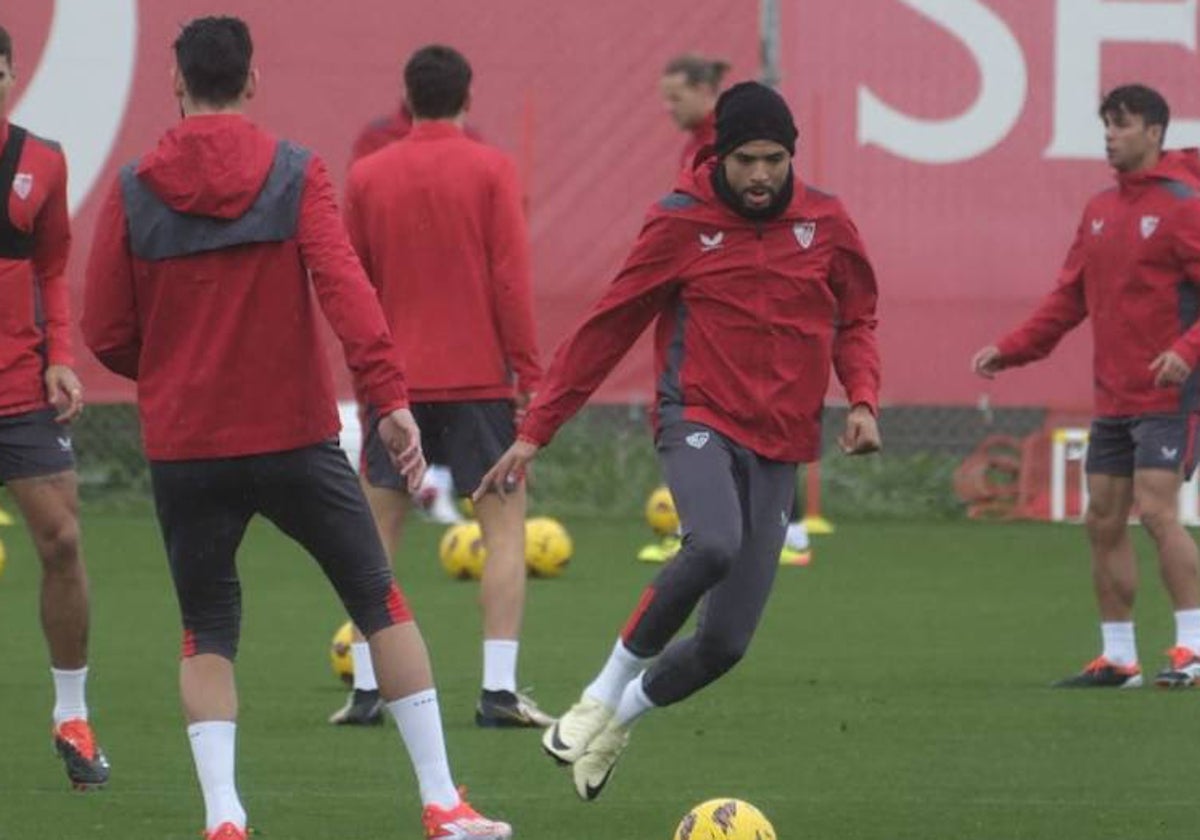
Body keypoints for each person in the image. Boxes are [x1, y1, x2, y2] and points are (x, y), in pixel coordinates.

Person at [81, 17, 511, 840]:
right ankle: (443, 803)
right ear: (251, 81)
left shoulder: (136, 185)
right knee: (380, 602)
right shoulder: (295, 171)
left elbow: (105, 330)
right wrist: (389, 400)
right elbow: (347, 291)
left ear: (175, 81)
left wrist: (176, 374)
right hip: (293, 437)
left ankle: (225, 818)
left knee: (206, 627)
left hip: (187, 448)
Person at [476, 81, 882, 800]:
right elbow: (609, 325)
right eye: (746, 159)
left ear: (792, 155)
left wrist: (864, 400)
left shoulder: (828, 221)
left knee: (725, 645)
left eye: (774, 159)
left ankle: (620, 721)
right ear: (718, 154)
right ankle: (600, 694)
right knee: (714, 542)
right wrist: (537, 431)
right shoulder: (679, 222)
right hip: (697, 416)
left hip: (780, 443)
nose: (761, 175)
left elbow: (857, 318)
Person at [342, 44, 549, 731]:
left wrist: (368, 381)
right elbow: (511, 282)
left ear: (407, 97)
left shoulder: (368, 175)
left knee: (373, 539)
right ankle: (497, 691)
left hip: (395, 387)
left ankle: (370, 690)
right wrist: (531, 377)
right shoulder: (492, 168)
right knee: (505, 535)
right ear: (468, 97)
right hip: (480, 381)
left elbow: (354, 290)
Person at [972, 83, 1200, 691]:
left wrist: (1185, 350)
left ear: (1153, 131)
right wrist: (1013, 349)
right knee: (1102, 520)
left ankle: (1191, 647)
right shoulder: (1100, 208)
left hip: (1169, 399)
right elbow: (1069, 297)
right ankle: (1119, 658)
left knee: (1156, 513)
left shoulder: (1183, 205)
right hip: (1115, 398)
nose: (1110, 135)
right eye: (1105, 124)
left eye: (1121, 124)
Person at [0, 24, 107, 791]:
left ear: (9, 73)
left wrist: (62, 357)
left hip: (17, 392)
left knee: (64, 541)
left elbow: (55, 265)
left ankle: (72, 714)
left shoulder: (41, 159)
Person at [660, 53, 729, 172]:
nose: (669, 107)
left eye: (676, 98)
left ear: (703, 90)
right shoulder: (693, 146)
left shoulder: (728, 142)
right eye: (667, 99)